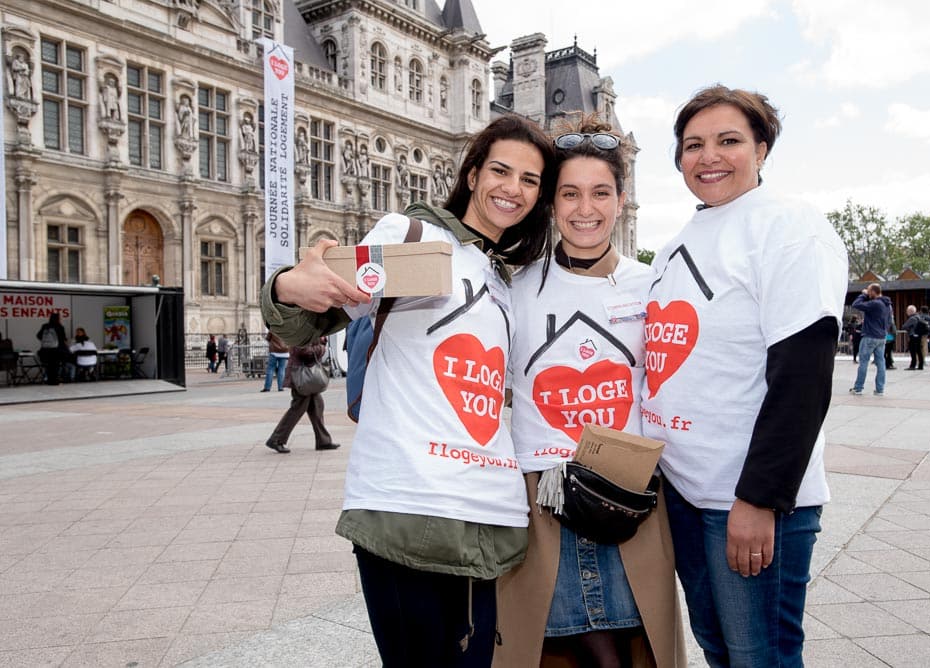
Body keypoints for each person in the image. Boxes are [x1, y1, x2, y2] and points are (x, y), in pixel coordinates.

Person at [260, 114, 556, 667]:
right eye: (500, 170)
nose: (512, 188)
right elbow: (315, 317)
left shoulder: (501, 277)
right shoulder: (413, 238)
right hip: (408, 504)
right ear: (472, 174)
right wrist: (286, 285)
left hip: (488, 511)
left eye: (530, 179)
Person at [640, 85, 847, 667]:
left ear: (761, 148)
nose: (709, 157)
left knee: (762, 658)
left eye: (728, 141)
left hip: (746, 501)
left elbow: (803, 375)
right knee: (720, 651)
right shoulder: (677, 243)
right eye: (692, 145)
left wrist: (758, 499)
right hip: (684, 494)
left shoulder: (789, 226)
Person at [497, 119, 685, 667]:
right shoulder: (513, 286)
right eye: (570, 193)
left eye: (601, 192)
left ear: (621, 200)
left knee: (633, 651)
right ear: (550, 204)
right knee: (554, 653)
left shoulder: (650, 284)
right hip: (544, 501)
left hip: (630, 502)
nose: (586, 208)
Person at [265, 338, 339, 453]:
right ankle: (276, 439)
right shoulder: (304, 331)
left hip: (306, 375)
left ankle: (323, 441)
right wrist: (321, 348)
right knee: (297, 408)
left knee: (317, 406)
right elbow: (304, 351)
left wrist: (321, 341)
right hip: (301, 375)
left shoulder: (311, 331)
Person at [850, 283, 891, 396]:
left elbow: (856, 304)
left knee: (863, 362)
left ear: (873, 291)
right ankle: (880, 389)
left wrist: (862, 295)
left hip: (869, 336)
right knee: (881, 363)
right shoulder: (887, 304)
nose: (867, 292)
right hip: (881, 337)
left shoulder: (875, 303)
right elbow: (889, 321)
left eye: (869, 291)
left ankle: (858, 388)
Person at [37, 313, 69, 385]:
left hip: (46, 350)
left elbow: (38, 336)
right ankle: (55, 381)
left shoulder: (45, 326)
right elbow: (63, 338)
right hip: (56, 350)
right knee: (56, 366)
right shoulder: (59, 326)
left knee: (49, 366)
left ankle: (49, 381)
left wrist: (46, 341)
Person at [901, 305, 927, 371]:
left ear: (910, 311)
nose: (907, 312)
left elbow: (904, 326)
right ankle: (920, 365)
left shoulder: (912, 318)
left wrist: (908, 329)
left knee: (913, 351)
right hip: (919, 336)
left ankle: (913, 365)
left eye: (907, 311)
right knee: (919, 351)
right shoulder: (919, 317)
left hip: (913, 336)